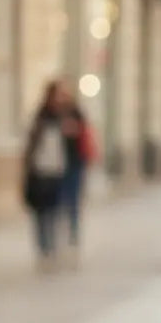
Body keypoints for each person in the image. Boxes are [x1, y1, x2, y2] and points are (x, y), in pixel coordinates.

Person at [22, 80, 68, 269]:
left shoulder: (65, 116)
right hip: (40, 170)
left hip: (57, 170)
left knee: (55, 211)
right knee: (41, 212)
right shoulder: (40, 118)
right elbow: (31, 145)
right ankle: (44, 247)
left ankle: (53, 246)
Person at [56, 80, 96, 257]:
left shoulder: (76, 112)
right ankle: (58, 234)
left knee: (72, 200)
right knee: (57, 201)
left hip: (74, 163)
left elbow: (85, 134)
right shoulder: (50, 113)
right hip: (54, 165)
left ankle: (73, 233)